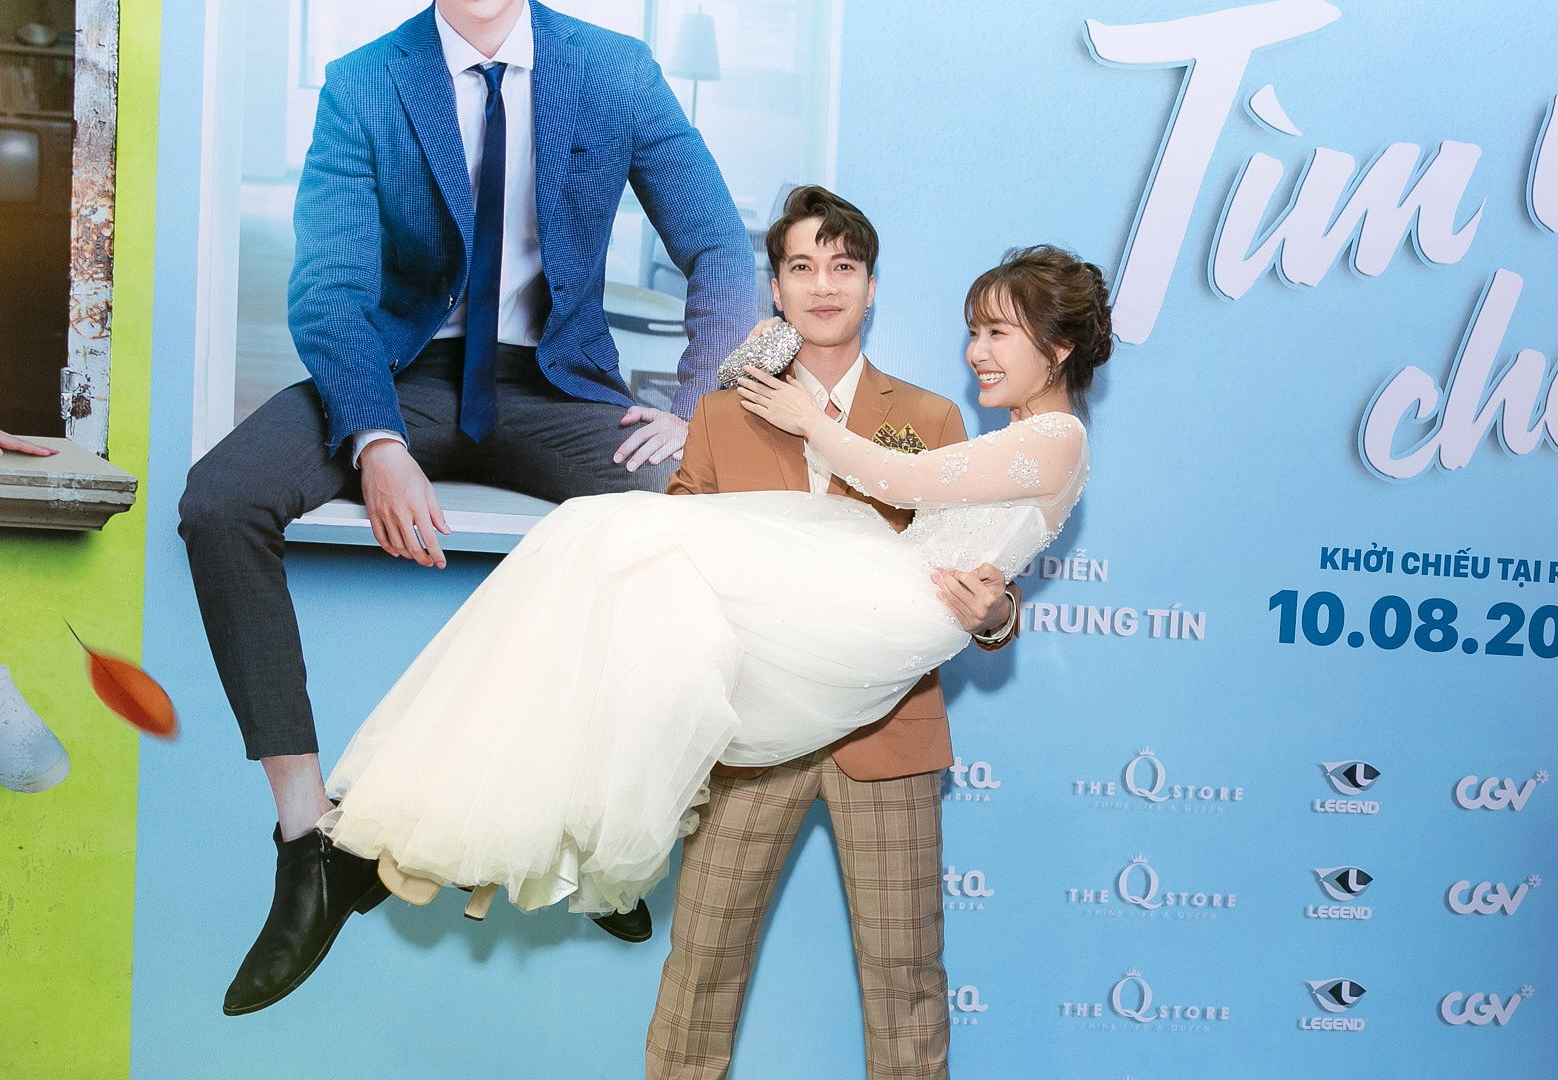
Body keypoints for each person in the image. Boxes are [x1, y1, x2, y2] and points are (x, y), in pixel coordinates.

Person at [175, 0, 758, 1017]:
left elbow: (721, 250)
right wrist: (375, 437)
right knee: (221, 499)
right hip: (402, 377)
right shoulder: (365, 81)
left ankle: (593, 829)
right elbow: (328, 287)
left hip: (556, 386)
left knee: (693, 517)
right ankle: (312, 842)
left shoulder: (614, 70)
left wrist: (699, 406)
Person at [317, 242, 1106, 960]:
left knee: (614, 536)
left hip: (891, 612)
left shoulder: (1054, 438)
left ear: (1058, 346)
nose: (976, 353)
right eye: (974, 333)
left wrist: (808, 421)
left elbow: (903, 480)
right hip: (872, 587)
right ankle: (520, 826)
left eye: (997, 334)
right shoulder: (1021, 438)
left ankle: (531, 829)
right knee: (617, 553)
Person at [646, 187, 1017, 1080]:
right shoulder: (721, 415)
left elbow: (984, 579)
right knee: (700, 969)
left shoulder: (930, 419)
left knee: (905, 978)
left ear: (872, 287)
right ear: (775, 288)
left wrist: (996, 617)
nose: (823, 285)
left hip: (887, 735)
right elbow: (672, 564)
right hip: (751, 737)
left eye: (843, 266)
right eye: (802, 267)